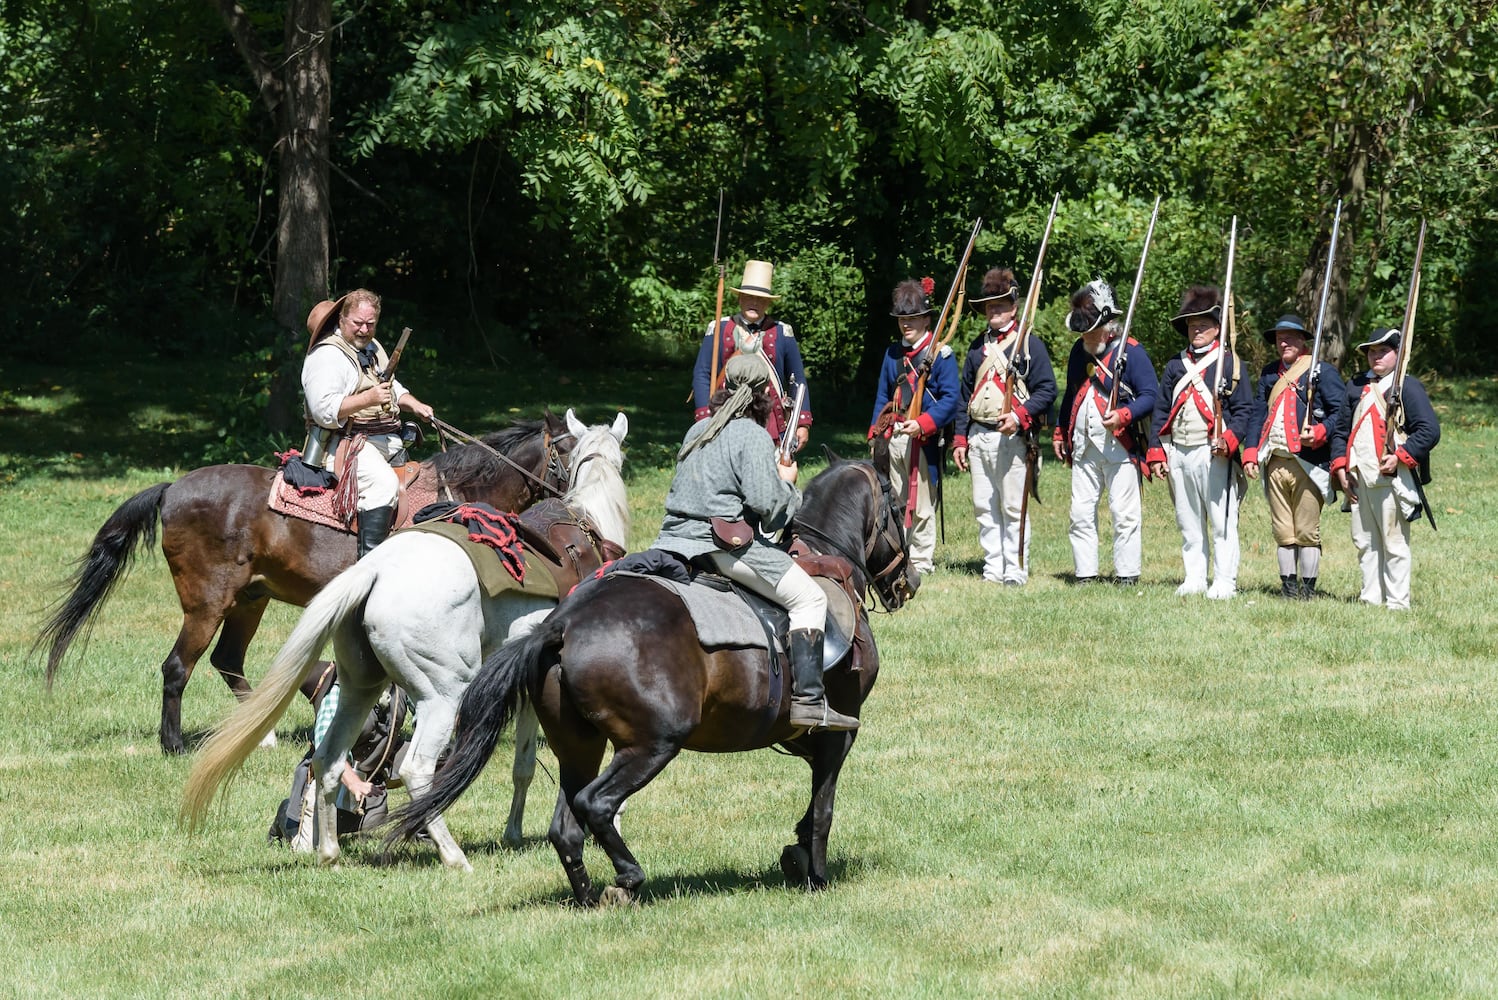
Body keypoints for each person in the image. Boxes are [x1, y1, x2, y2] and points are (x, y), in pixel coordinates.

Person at [656, 354, 857, 732]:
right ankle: (810, 701)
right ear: (765, 392)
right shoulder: (751, 434)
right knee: (810, 599)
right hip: (720, 546)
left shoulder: (695, 430)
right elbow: (770, 509)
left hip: (675, 543)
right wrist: (788, 483)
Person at [302, 289, 435, 557]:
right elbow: (322, 410)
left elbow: (390, 386)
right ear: (342, 320)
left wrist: (415, 404)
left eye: (370, 324)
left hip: (385, 440)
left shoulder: (373, 348)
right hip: (346, 444)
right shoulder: (327, 356)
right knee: (383, 485)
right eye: (358, 323)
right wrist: (367, 399)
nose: (364, 330)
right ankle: (369, 567)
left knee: (426, 482)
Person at [952, 266, 1057, 585]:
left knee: (1013, 505)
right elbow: (964, 395)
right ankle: (993, 566)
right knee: (984, 505)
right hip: (979, 434)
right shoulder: (976, 347)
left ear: (1013, 306)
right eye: (989, 305)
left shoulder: (1028, 345)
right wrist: (959, 438)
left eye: (999, 304)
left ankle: (1015, 567)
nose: (993, 310)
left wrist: (1019, 416)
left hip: (1013, 436)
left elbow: (1047, 390)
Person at [1147, 286, 1253, 599]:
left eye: (1203, 325)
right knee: (1188, 521)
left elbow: (1244, 410)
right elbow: (1161, 410)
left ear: (1217, 328)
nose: (1197, 330)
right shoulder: (1174, 366)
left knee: (1221, 521)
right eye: (1192, 325)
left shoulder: (1230, 363)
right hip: (1179, 450)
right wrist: (1156, 451)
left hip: (1213, 453)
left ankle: (1224, 581)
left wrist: (1230, 440)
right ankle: (1194, 577)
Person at [1053, 280, 1158, 585]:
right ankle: (1086, 573)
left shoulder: (1132, 351)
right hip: (1085, 445)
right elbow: (1072, 394)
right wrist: (1061, 432)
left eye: (1092, 329)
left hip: (1120, 445)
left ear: (1109, 324)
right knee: (1080, 512)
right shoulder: (1079, 350)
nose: (1086, 336)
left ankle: (1127, 574)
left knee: (1124, 514)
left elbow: (1150, 395)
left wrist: (1125, 414)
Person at [1331, 326, 1440, 609]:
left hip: (1390, 476)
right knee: (1364, 541)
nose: (1376, 356)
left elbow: (1429, 430)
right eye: (1372, 351)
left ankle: (1397, 602)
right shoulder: (1356, 386)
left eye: (1383, 351)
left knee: (1394, 542)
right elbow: (1341, 431)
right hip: (1358, 475)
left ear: (1397, 354)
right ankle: (1370, 598)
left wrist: (1401, 456)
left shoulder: (1407, 386)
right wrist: (1341, 467)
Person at [1242, 314, 1347, 598]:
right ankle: (1288, 589)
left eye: (1289, 337)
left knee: (1306, 530)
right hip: (1275, 459)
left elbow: (1342, 412)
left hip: (1308, 462)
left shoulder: (1320, 371)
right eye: (1279, 338)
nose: (1284, 342)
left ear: (1303, 341)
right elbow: (1257, 414)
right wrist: (1250, 450)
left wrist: (1322, 431)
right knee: (1282, 531)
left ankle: (1308, 590)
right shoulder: (1268, 373)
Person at [868, 278, 961, 578]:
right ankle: (898, 551)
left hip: (923, 438)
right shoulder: (892, 353)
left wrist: (922, 424)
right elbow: (883, 394)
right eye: (902, 320)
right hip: (894, 435)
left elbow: (950, 399)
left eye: (912, 319)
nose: (906, 325)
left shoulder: (941, 354)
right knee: (893, 497)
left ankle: (920, 559)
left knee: (920, 502)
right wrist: (875, 431)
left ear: (925, 319)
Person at [691, 260, 813, 453]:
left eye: (760, 299)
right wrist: (705, 417)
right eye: (748, 297)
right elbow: (702, 374)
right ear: (740, 299)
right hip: (725, 412)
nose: (754, 303)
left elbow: (797, 379)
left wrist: (802, 422)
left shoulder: (782, 332)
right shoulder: (719, 329)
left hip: (770, 417)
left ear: (768, 302)